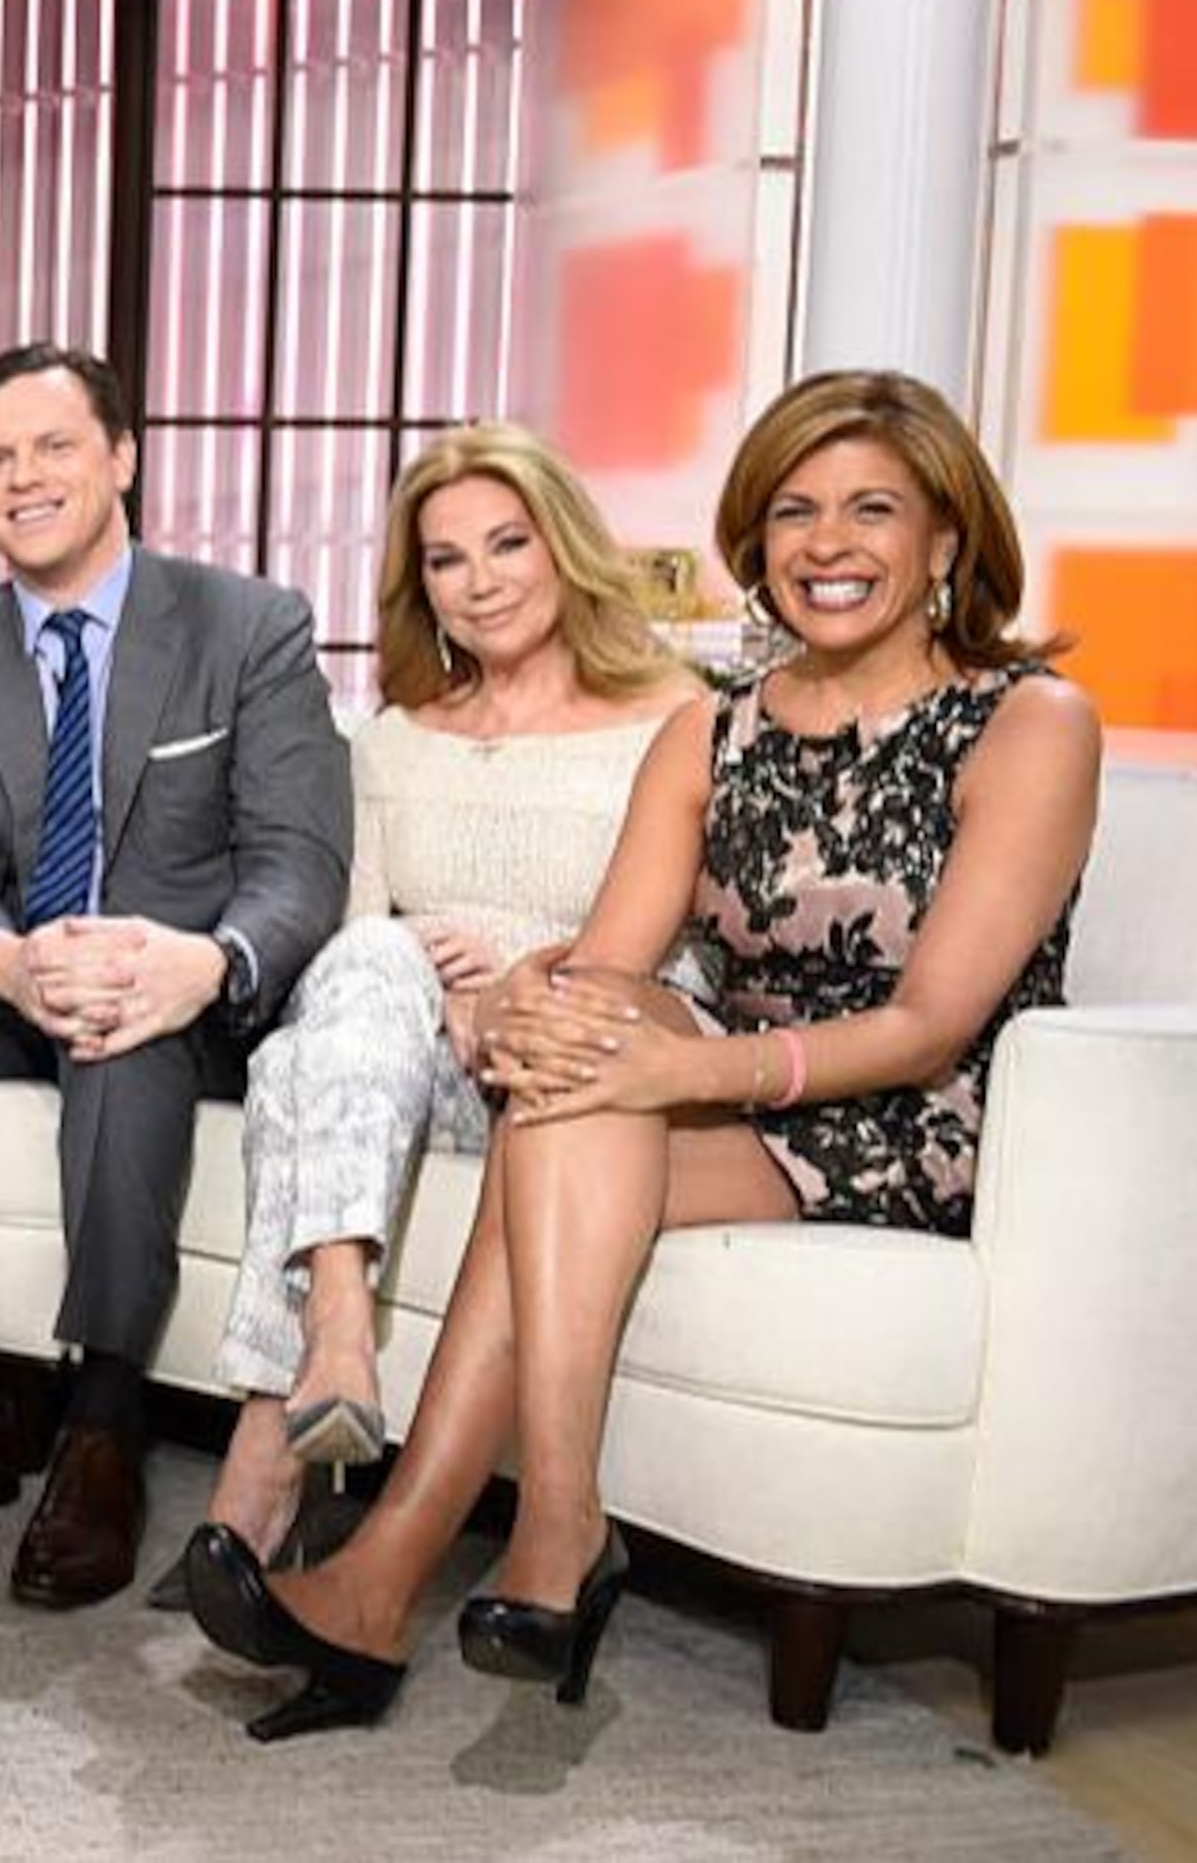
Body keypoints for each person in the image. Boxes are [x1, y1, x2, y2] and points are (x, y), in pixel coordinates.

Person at [185, 370, 1099, 1740]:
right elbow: (612, 964)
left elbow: (933, 1025)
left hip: (907, 1116)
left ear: (946, 544)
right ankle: (524, 1543)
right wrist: (534, 995)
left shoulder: (1029, 723)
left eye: (871, 511)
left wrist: (672, 1069)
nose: (826, 544)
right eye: (794, 511)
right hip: (725, 1082)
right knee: (578, 1052)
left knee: (592, 1078)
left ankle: (456, 1554)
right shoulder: (712, 728)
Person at [0, 342, 351, 1600]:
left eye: (54, 447)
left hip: (184, 1001)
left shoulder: (248, 625)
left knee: (126, 1011)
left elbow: (302, 861)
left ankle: (103, 1420)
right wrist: (8, 959)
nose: (23, 478)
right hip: (17, 988)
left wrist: (205, 960)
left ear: (123, 456)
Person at [148, 424, 696, 1611]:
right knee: (362, 970)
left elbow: (666, 945)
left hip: (574, 1066)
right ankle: (337, 1328)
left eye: (509, 543)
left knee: (307, 1060)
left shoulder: (674, 717)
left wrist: (506, 988)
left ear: (567, 551)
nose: (483, 579)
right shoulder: (393, 739)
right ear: (422, 588)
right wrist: (440, 990)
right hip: (424, 1062)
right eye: (448, 560)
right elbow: (342, 949)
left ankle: (266, 1457)